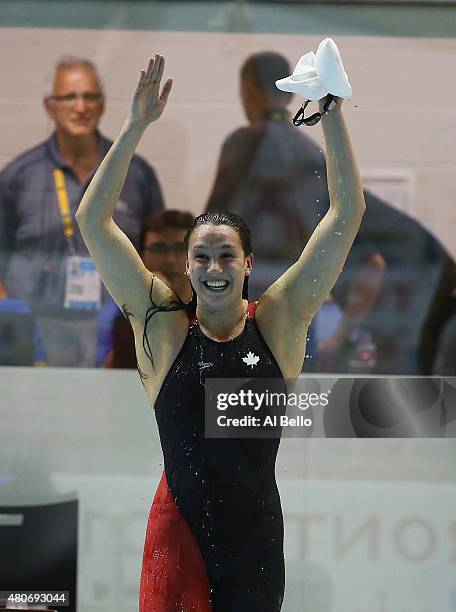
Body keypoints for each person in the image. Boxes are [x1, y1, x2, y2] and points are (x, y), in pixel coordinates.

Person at [76, 55, 365, 611]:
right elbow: (94, 223)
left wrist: (329, 107)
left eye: (225, 256)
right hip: (179, 538)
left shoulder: (279, 322)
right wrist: (135, 127)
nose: (213, 268)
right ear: (185, 267)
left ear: (248, 263)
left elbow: (346, 213)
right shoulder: (162, 330)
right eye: (201, 257)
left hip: (255, 543)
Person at [205, 51, 384, 368]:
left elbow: (210, 232)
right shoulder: (310, 154)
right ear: (289, 92)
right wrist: (342, 335)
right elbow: (371, 262)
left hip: (240, 311)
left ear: (247, 90)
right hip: (299, 307)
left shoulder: (243, 143)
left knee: (236, 406)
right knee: (289, 408)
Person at [0, 56, 164, 367]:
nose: (81, 106)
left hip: (117, 331)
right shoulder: (18, 177)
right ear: (50, 106)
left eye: (90, 96)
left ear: (102, 104)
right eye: (69, 97)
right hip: (36, 336)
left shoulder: (136, 172)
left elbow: (159, 258)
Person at [97, 209, 194, 368]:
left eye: (179, 249)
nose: (170, 260)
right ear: (140, 256)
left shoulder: (213, 315)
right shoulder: (123, 311)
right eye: (159, 249)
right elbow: (109, 379)